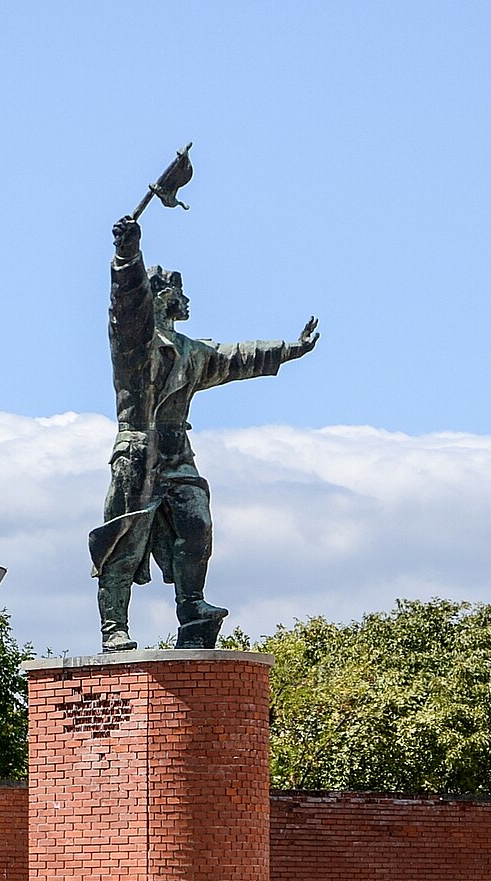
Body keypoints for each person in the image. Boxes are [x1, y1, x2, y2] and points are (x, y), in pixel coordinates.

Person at [89, 213, 318, 652]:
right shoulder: (136, 343)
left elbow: (239, 357)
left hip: (177, 450)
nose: (187, 298)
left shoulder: (194, 352)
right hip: (139, 449)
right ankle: (113, 626)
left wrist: (292, 348)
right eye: (179, 290)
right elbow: (127, 303)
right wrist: (127, 256)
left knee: (197, 527)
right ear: (161, 296)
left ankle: (192, 606)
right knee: (125, 539)